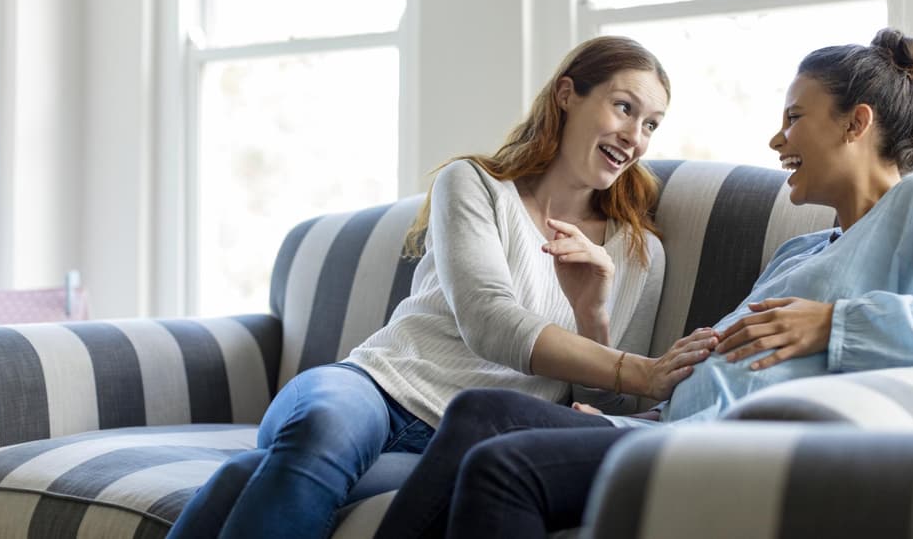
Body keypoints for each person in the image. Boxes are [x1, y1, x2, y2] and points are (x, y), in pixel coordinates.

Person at [373, 28, 913, 539]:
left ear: (856, 123)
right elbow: (726, 375)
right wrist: (631, 411)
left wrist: (836, 324)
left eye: (795, 117)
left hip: (720, 443)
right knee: (480, 412)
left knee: (504, 468)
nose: (777, 139)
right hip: (666, 426)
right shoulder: (801, 251)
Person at [166, 36, 717, 539]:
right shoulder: (476, 185)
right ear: (567, 95)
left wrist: (592, 312)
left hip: (457, 440)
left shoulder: (638, 254)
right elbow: (488, 320)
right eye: (624, 108)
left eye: (651, 124)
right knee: (320, 428)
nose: (635, 137)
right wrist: (639, 369)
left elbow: (601, 411)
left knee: (243, 477)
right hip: (374, 389)